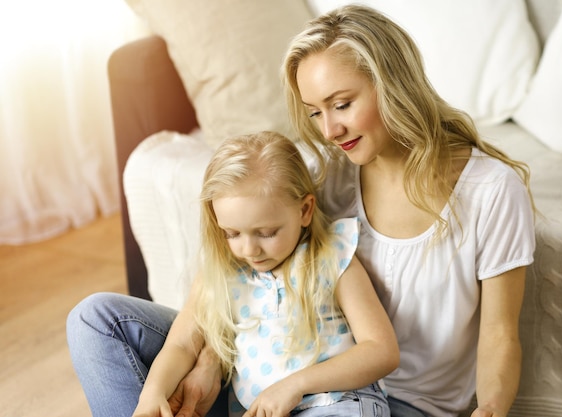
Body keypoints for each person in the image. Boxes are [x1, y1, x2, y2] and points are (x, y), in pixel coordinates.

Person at [67, 4, 535, 417]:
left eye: (342, 104)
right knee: (96, 319)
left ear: (393, 83)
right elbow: (248, 278)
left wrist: (491, 408)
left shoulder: (491, 191)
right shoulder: (330, 174)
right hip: (273, 376)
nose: (330, 129)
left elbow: (499, 334)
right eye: (315, 112)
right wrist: (211, 361)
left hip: (398, 402)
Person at [69, 131, 399, 417]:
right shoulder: (221, 273)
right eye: (232, 233)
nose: (249, 249)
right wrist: (151, 394)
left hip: (337, 404)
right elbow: (182, 345)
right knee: (92, 317)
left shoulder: (331, 257)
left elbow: (381, 350)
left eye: (267, 232)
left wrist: (296, 385)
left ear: (304, 210)